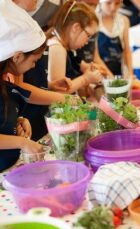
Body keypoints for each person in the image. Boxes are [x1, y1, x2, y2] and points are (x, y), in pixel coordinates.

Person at [0, 0, 69, 171]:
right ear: (16, 57)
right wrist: (21, 142)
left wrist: (17, 121)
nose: (33, 67)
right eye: (33, 61)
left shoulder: (7, 78)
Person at [47, 0, 103, 94]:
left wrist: (88, 72)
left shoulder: (67, 48)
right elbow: (57, 93)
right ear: (76, 28)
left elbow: (79, 69)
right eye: (88, 35)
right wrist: (86, 79)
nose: (87, 42)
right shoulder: (57, 48)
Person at [97, 0, 134, 78]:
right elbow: (95, 56)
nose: (113, 7)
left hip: (119, 70)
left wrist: (130, 74)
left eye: (117, 3)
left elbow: (127, 50)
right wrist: (111, 78)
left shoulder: (124, 21)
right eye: (108, 3)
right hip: (99, 73)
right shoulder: (94, 20)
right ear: (100, 2)